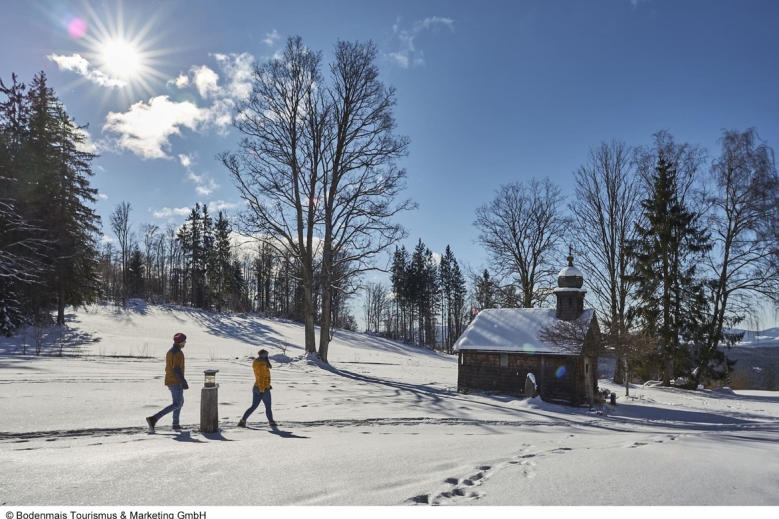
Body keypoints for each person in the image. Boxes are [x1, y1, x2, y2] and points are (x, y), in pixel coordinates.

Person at [146, 333, 189, 432]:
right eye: (184, 341)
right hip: (175, 381)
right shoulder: (178, 353)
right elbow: (177, 369)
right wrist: (183, 382)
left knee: (180, 402)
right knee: (177, 404)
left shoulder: (170, 351)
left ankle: (176, 424)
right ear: (181, 342)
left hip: (170, 380)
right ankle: (154, 419)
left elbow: (168, 367)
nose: (185, 343)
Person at [238, 349, 277, 427]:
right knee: (268, 407)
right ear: (263, 355)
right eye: (266, 355)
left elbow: (261, 377)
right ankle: (271, 422)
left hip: (256, 387)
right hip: (263, 389)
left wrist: (267, 385)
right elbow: (261, 378)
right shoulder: (262, 365)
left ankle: (242, 421)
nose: (267, 356)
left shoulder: (256, 362)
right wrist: (262, 389)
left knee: (253, 406)